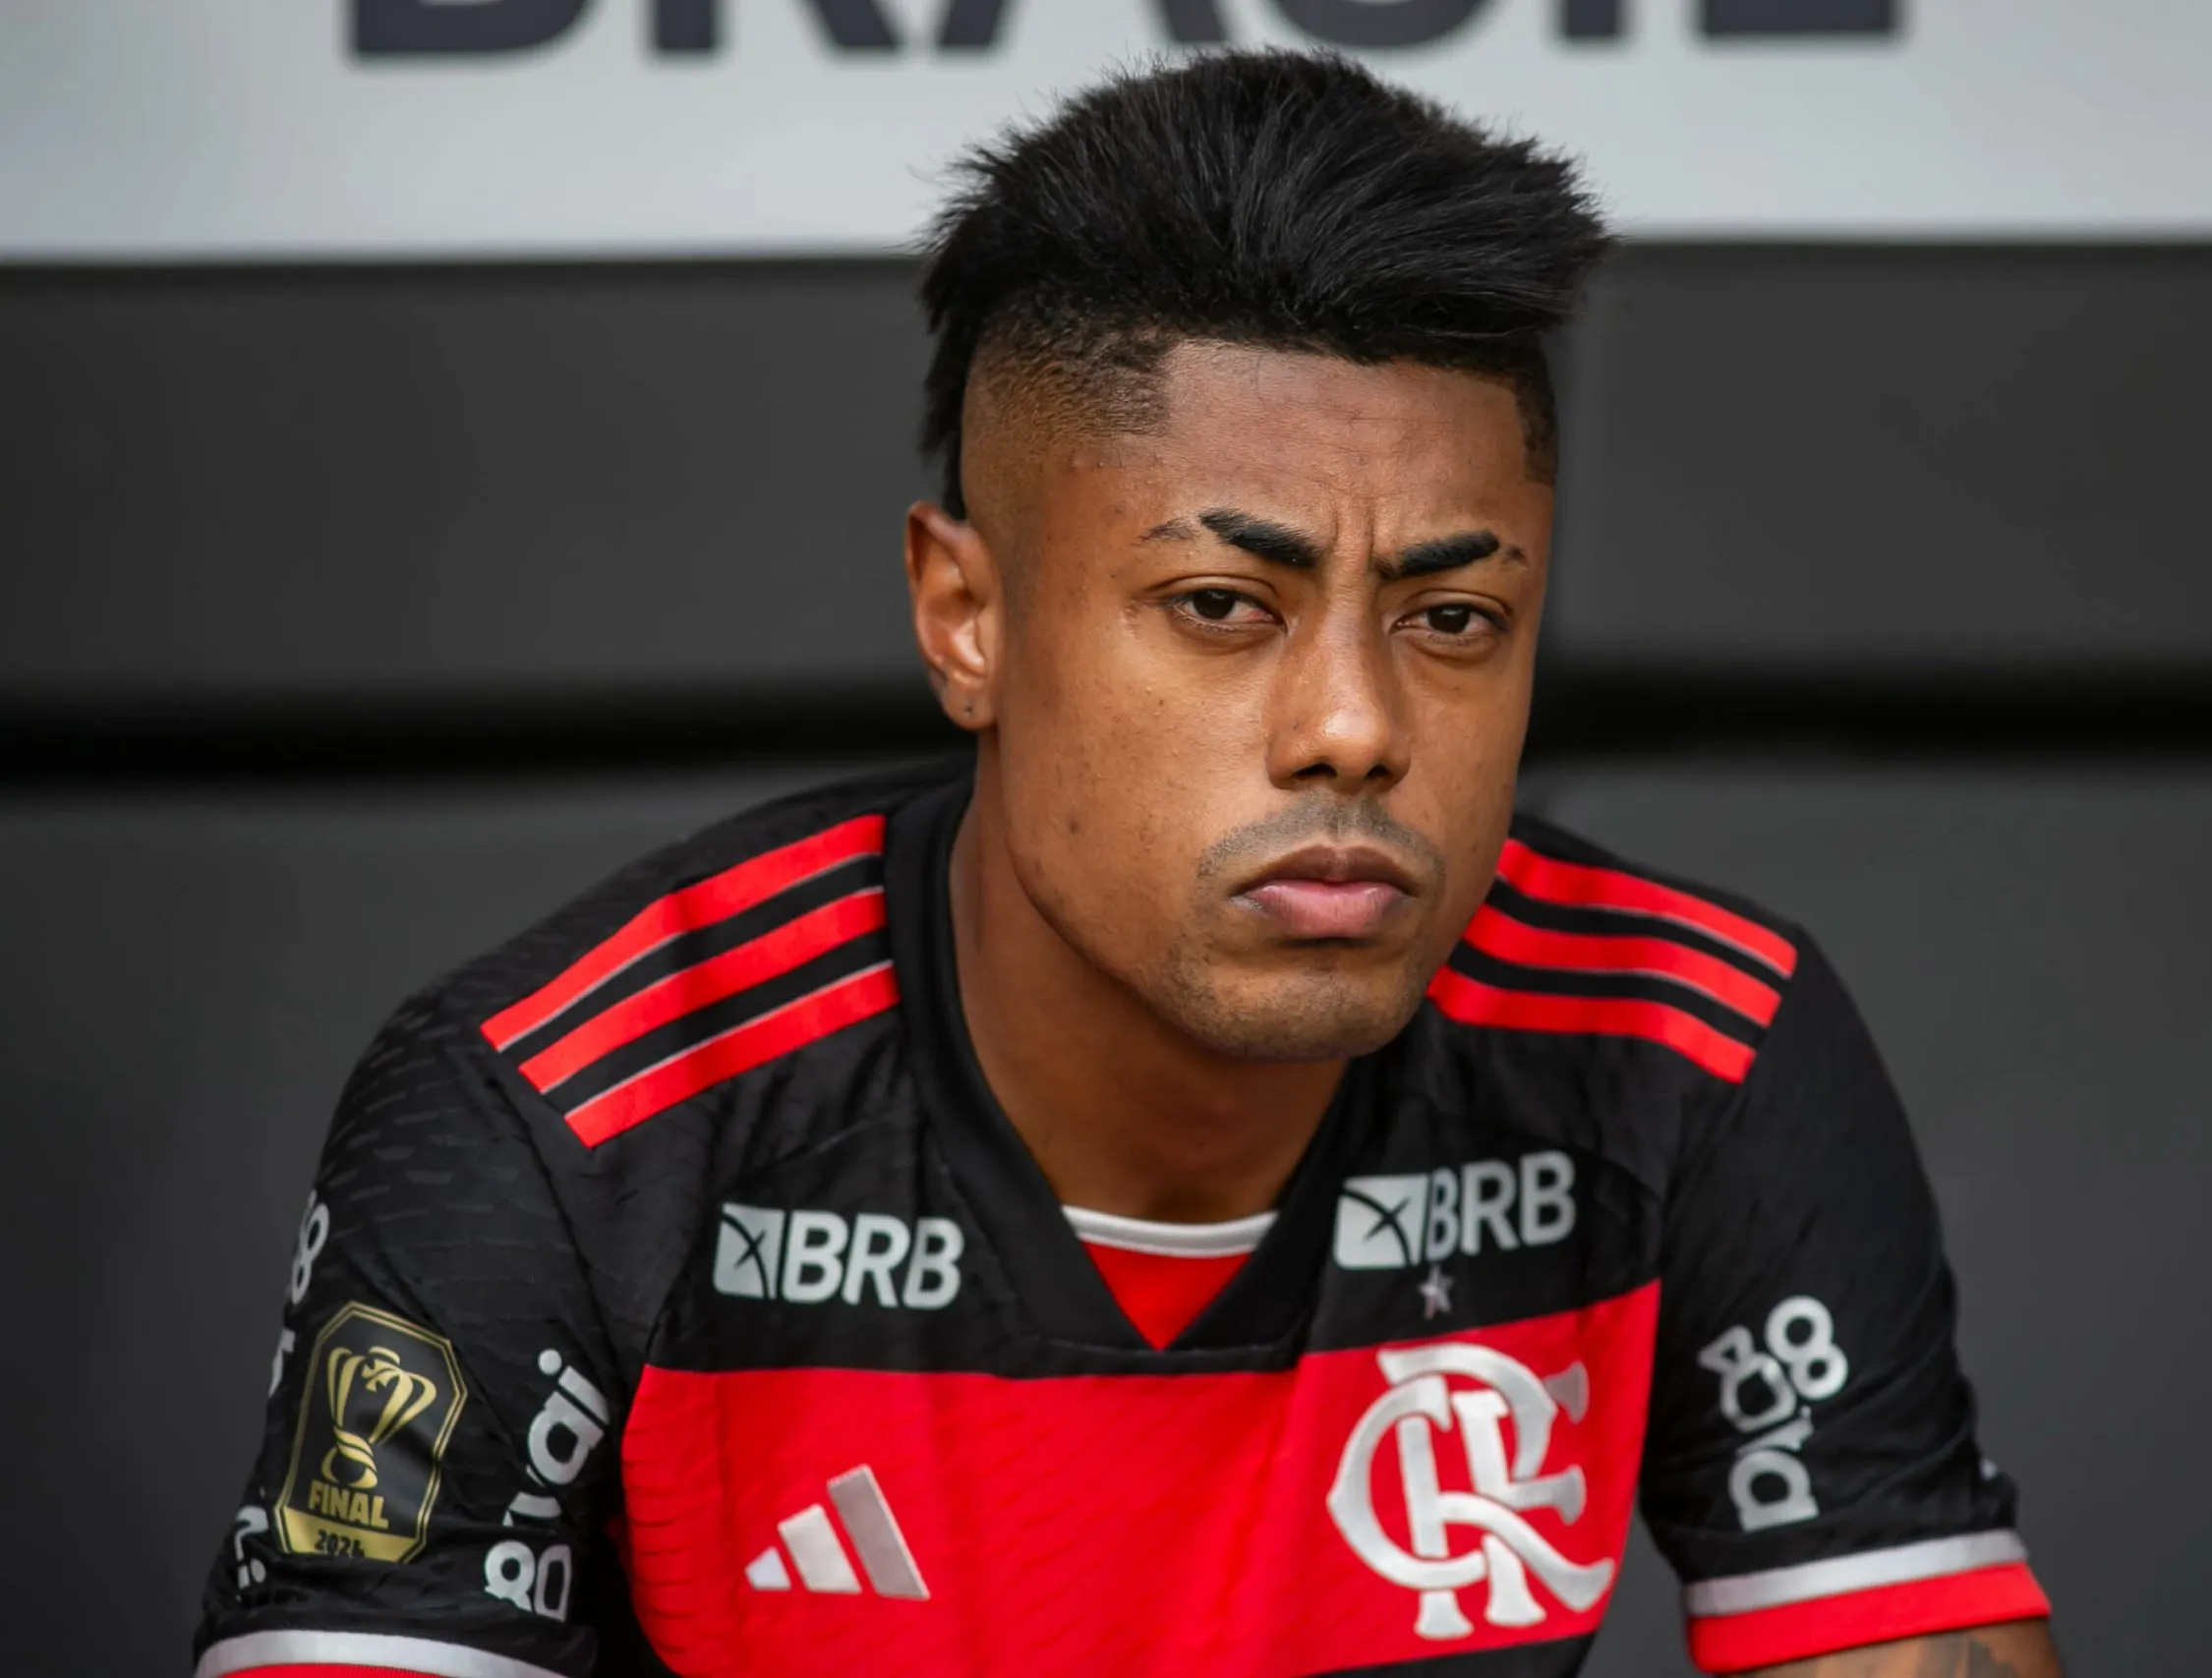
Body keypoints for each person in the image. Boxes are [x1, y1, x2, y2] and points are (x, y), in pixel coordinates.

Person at [196, 50, 2060, 1678]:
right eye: (1221, 604)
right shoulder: (569, 1110)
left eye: (1458, 615)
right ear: (966, 616)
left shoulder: (1697, 1055)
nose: (1355, 727)